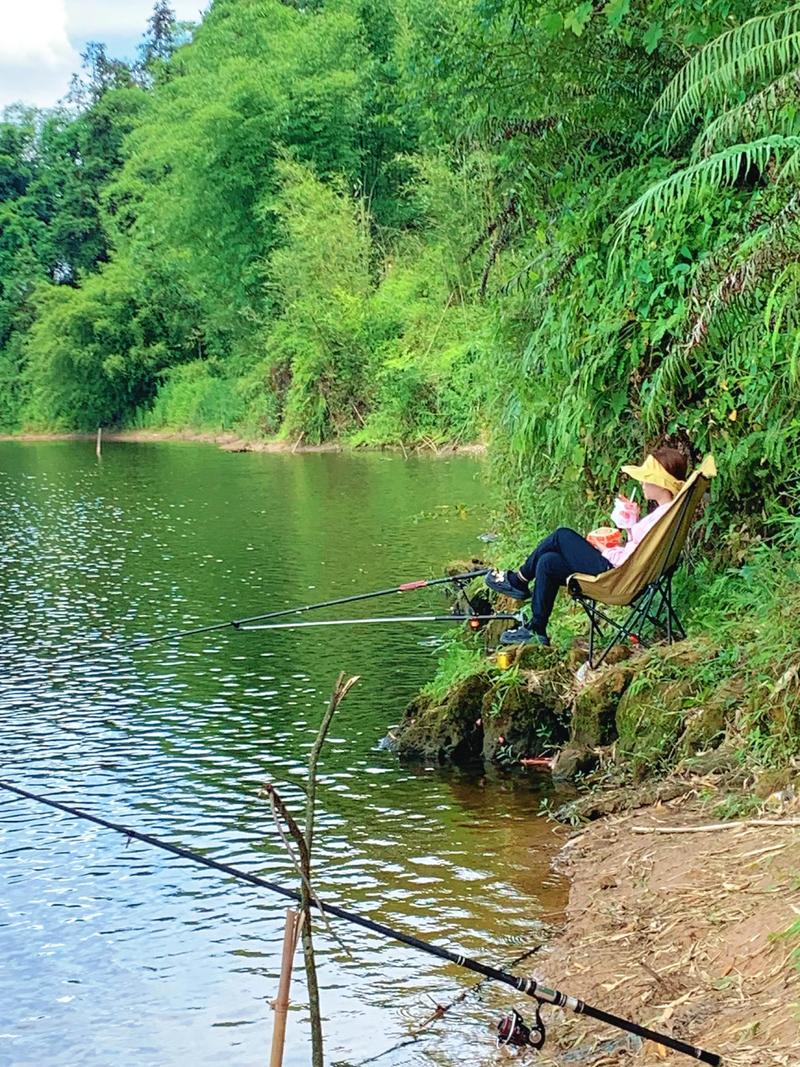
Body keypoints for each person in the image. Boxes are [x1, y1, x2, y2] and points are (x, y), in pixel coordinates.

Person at [485, 446, 689, 646]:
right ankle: (536, 629)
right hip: (627, 575)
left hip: (616, 578)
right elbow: (640, 551)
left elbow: (629, 559)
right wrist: (631, 522)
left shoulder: (661, 517)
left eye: (647, 478)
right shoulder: (668, 515)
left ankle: (519, 579)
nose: (642, 482)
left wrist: (604, 549)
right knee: (548, 562)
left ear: (662, 484)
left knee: (561, 536)